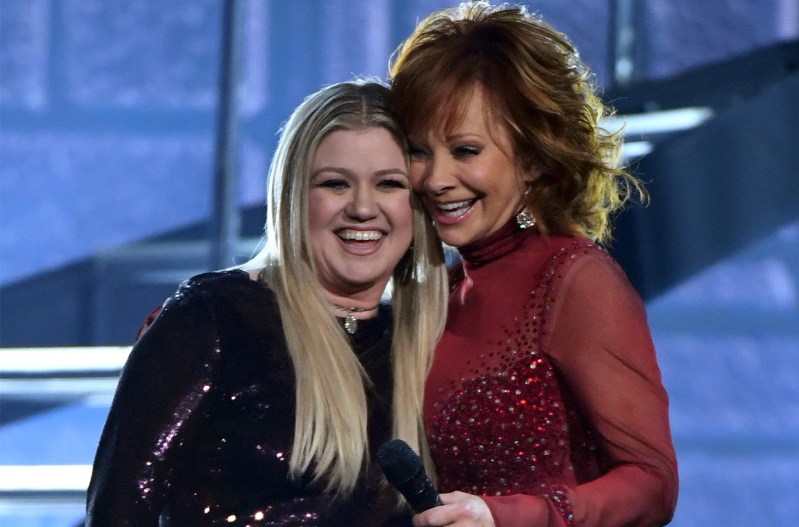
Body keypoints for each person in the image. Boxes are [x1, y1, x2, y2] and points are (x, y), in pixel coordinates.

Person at [85, 79, 448, 526]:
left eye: (389, 184)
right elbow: (119, 510)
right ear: (292, 197)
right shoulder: (213, 316)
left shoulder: (421, 346)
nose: (362, 208)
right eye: (335, 184)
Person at [388, 2, 679, 526]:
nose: (435, 179)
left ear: (534, 157)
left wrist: (509, 516)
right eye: (419, 151)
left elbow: (652, 482)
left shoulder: (575, 280)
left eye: (465, 149)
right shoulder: (445, 291)